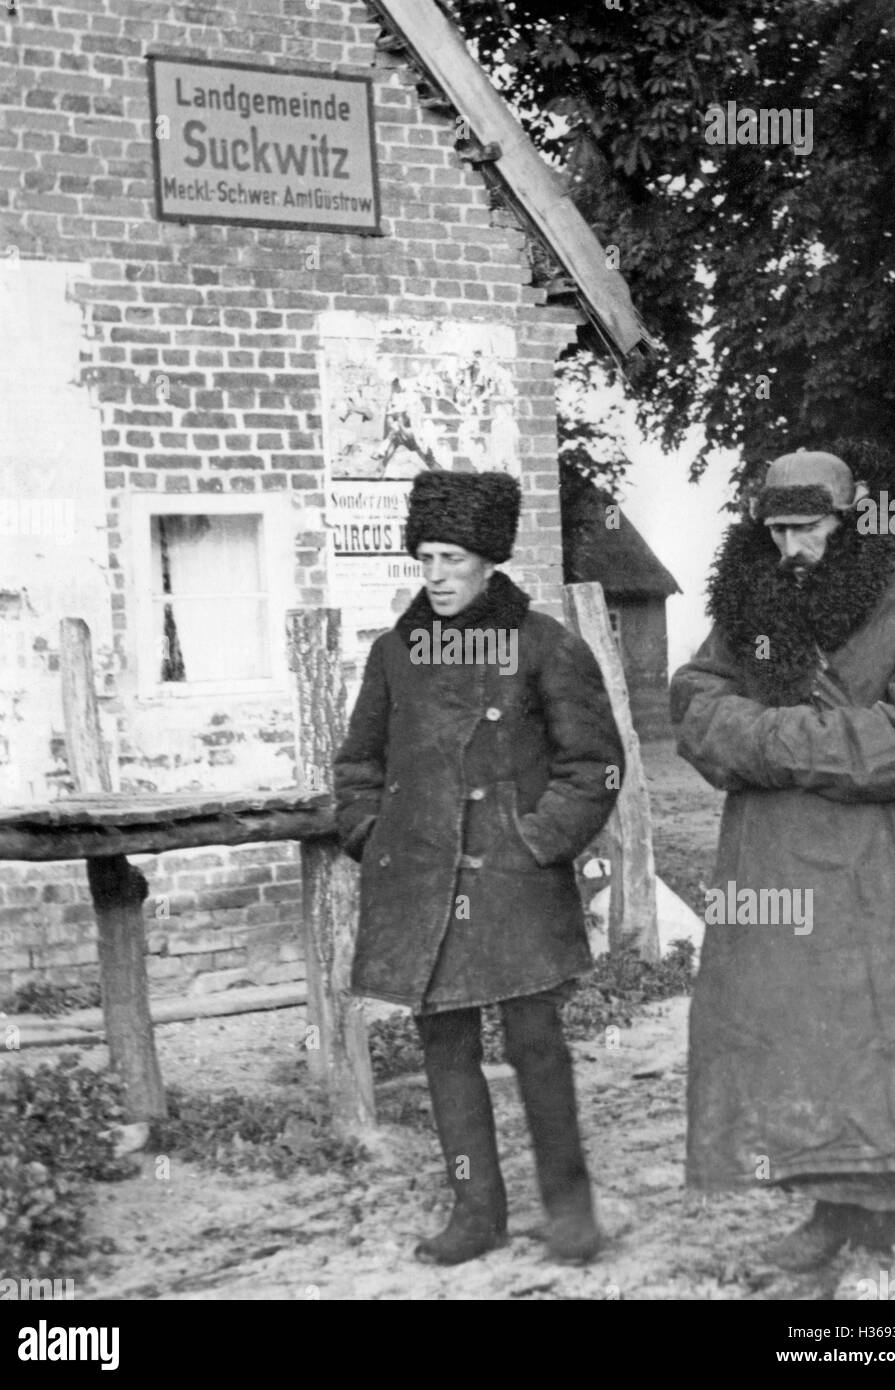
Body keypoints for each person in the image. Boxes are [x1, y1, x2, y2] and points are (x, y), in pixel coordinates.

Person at [670, 449, 895, 1272]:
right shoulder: (751, 601)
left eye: (808, 528)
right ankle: (829, 1209)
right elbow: (694, 700)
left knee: (873, 1029)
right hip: (771, 861)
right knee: (790, 1033)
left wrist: (767, 738)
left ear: (848, 520)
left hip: (874, 864)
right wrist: (781, 738)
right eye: (776, 530)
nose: (791, 547)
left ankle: (874, 1223)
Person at [334, 469, 624, 1265]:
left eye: (451, 558)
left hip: (514, 883)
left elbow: (593, 765)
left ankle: (570, 1211)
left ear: (489, 561)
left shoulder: (545, 647)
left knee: (536, 1044)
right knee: (444, 1049)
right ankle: (477, 1213)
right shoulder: (396, 653)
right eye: (423, 557)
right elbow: (357, 763)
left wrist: (534, 844)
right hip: (420, 887)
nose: (435, 576)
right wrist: (371, 833)